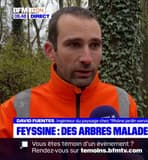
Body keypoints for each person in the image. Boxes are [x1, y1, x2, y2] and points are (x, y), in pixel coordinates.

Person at [0, 6, 138, 138]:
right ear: (50, 51)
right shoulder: (13, 111)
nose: (87, 58)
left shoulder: (124, 103)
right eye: (74, 44)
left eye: (95, 45)